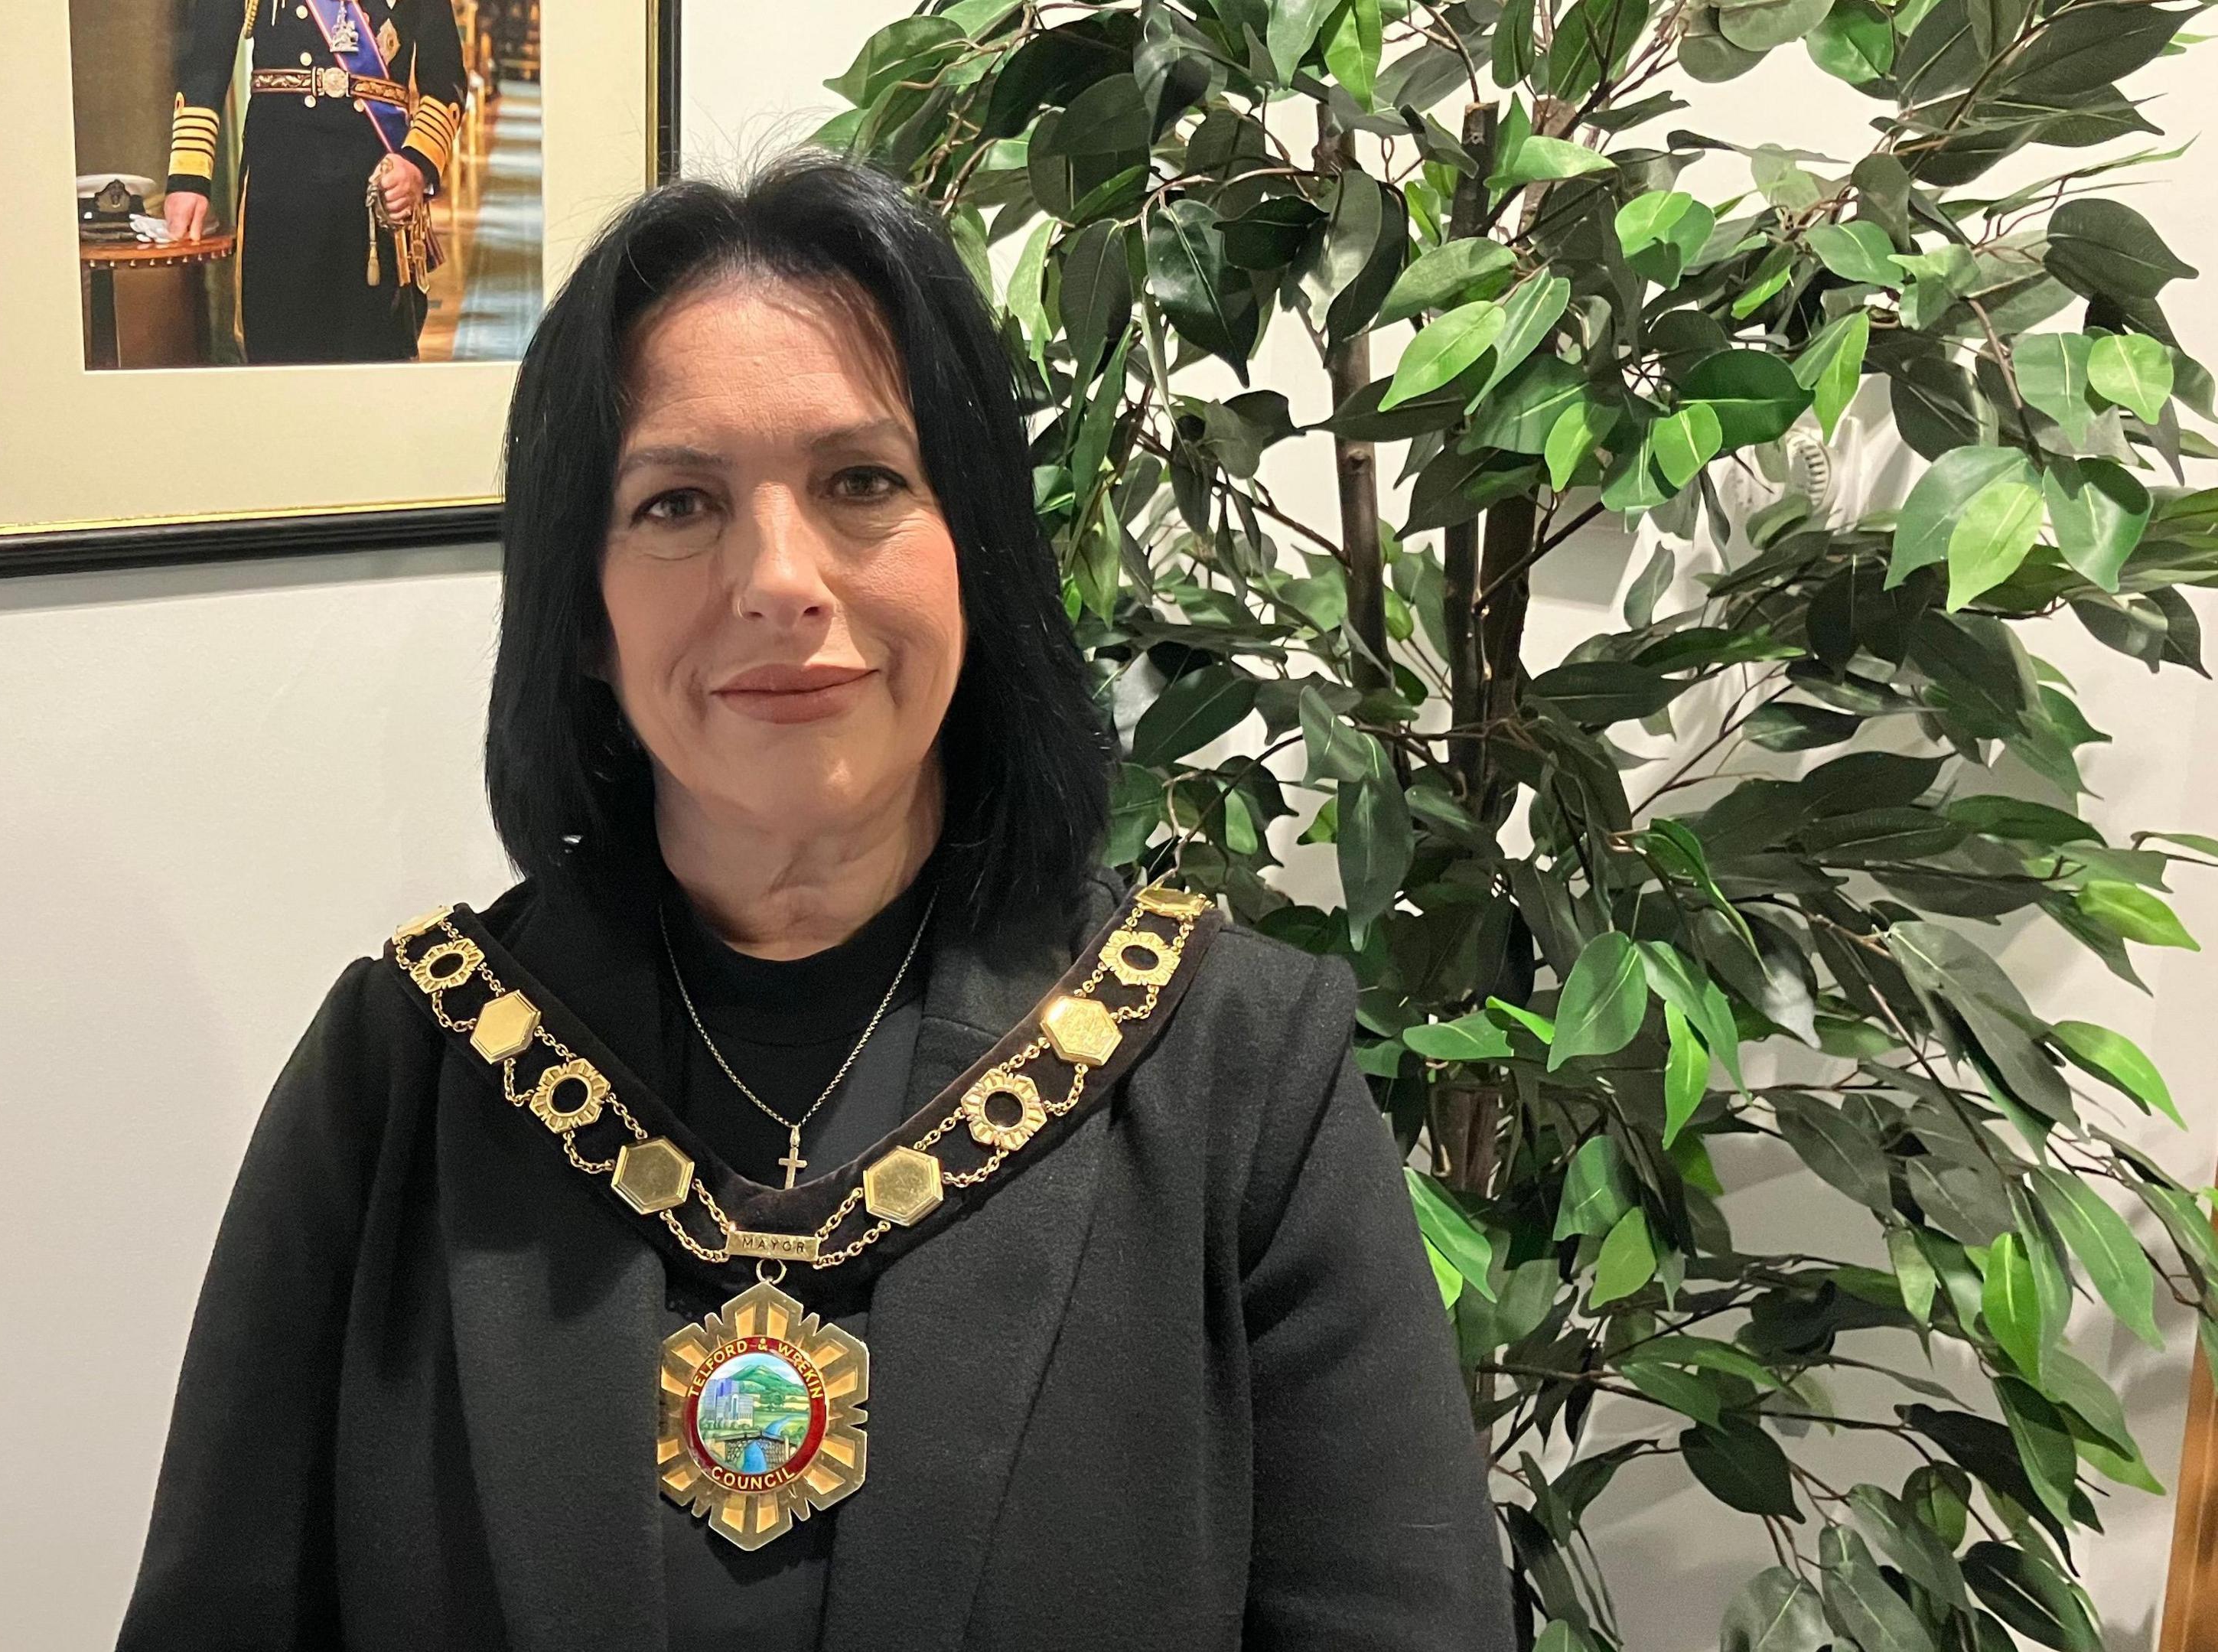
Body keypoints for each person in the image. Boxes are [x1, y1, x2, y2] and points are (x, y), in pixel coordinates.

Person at [115, 154, 1513, 1651]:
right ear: (581, 609)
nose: (779, 576)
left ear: (972, 548)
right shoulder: (402, 1069)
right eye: (677, 501)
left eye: (862, 482)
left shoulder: (1242, 1074)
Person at [160, 0, 463, 363]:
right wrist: (189, 177)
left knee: (378, 362)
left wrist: (416, 164)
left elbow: (445, 81)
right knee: (277, 359)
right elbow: (206, 58)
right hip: (279, 186)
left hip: (376, 188)